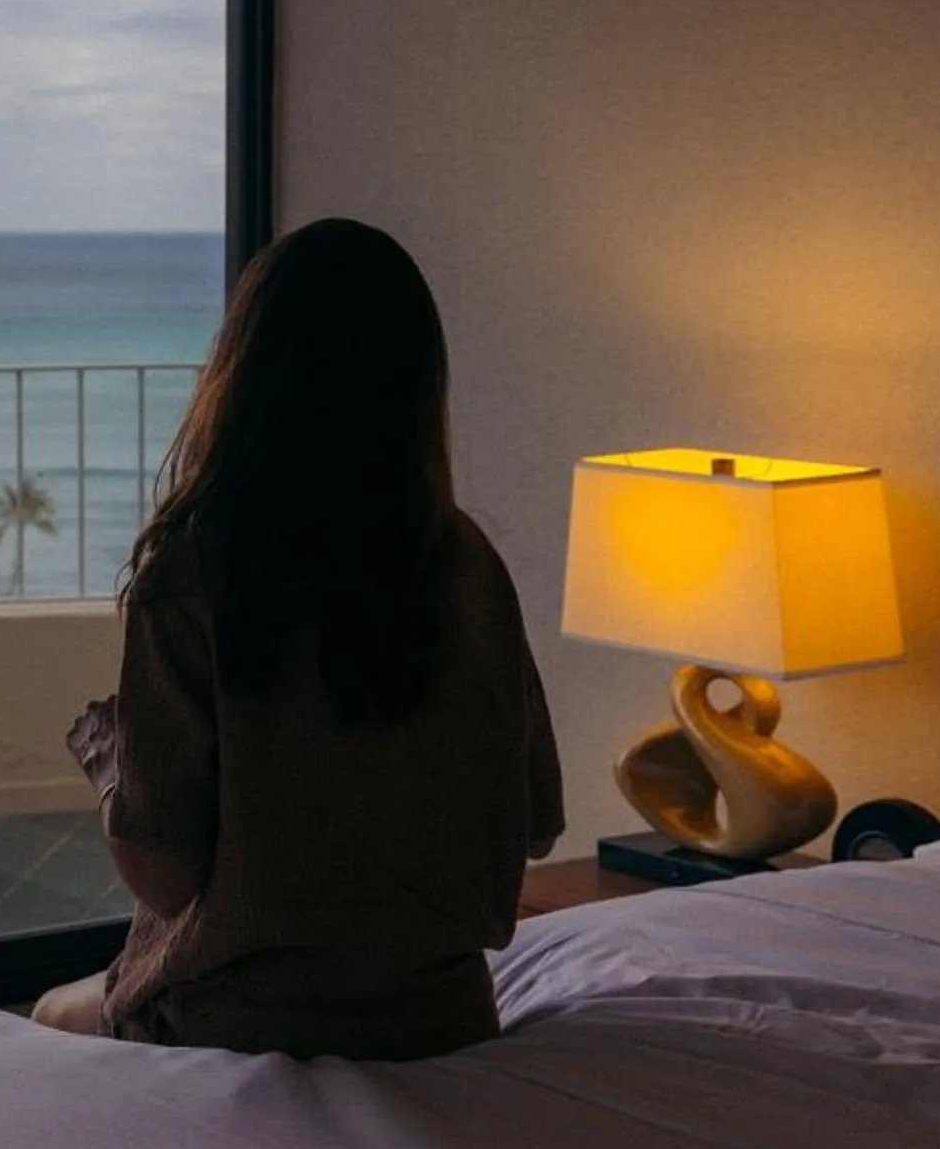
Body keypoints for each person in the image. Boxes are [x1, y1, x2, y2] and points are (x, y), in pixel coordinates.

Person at [32, 218, 563, 1062]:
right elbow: (534, 824)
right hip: (440, 1020)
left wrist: (111, 765)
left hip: (243, 1022)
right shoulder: (465, 566)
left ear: (243, 375)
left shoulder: (197, 571)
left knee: (49, 1017)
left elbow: (164, 875)